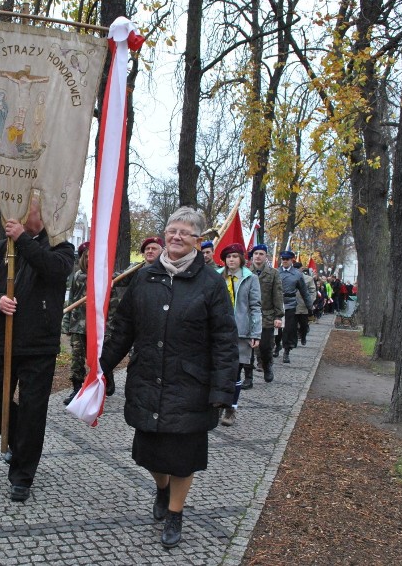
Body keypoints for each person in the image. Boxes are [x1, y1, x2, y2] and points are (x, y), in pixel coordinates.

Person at [99, 206, 237, 549]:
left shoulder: (212, 283)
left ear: (198, 240)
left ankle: (175, 512)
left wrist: (222, 390)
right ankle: (162, 488)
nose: (176, 237)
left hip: (191, 384)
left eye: (185, 232)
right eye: (171, 230)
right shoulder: (144, 278)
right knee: (148, 455)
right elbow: (123, 329)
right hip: (148, 378)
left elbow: (224, 339)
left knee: (183, 456)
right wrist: (100, 368)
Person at [0, 197, 75, 502]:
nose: (14, 215)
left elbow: (53, 270)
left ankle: (22, 475)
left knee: (32, 411)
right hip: (3, 340)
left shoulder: (60, 245)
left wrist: (23, 240)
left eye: (25, 208)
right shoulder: (4, 247)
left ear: (39, 212)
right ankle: (21, 442)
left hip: (38, 345)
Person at [217, 243, 261, 426]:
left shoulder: (250, 278)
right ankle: (217, 404)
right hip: (218, 331)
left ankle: (230, 408)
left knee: (235, 372)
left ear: (241, 259)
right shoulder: (217, 276)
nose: (231, 260)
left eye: (235, 256)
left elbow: (255, 306)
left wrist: (255, 332)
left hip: (240, 332)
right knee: (218, 371)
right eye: (228, 257)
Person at [248, 244, 283, 383]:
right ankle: (248, 377)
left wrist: (278, 316)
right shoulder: (246, 271)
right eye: (256, 253)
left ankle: (267, 366)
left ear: (266, 256)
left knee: (266, 346)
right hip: (249, 315)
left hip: (266, 315)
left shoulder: (273, 273)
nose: (258, 256)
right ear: (252, 256)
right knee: (248, 347)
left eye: (261, 254)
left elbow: (278, 295)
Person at [61, 241, 90, 406]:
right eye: (86, 257)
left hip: (97, 326)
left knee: (99, 358)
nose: (88, 260)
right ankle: (77, 388)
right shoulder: (77, 276)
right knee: (77, 358)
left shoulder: (104, 275)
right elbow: (71, 299)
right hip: (78, 324)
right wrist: (66, 324)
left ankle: (106, 379)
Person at [275, 251, 312, 364]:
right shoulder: (275, 272)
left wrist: (309, 306)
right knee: (277, 328)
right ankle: (277, 346)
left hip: (290, 304)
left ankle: (287, 351)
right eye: (283, 259)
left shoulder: (297, 274)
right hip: (277, 304)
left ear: (292, 260)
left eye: (287, 259)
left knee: (289, 329)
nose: (285, 261)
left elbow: (304, 291)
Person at [293, 263, 316, 345]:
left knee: (303, 324)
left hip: (303, 305)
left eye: (297, 268)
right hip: (292, 305)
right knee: (292, 326)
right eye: (294, 268)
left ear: (301, 269)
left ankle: (303, 336)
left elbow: (312, 291)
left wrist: (310, 302)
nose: (296, 270)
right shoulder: (290, 277)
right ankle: (294, 340)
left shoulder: (308, 279)